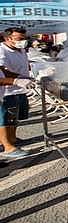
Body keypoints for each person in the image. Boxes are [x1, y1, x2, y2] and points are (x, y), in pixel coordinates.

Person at [0, 27, 36, 158]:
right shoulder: (2, 50)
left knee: (14, 118)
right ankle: (7, 147)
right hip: (7, 91)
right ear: (8, 38)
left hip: (19, 89)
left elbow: (22, 65)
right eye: (20, 39)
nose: (23, 41)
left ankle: (12, 139)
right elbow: (2, 71)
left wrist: (24, 76)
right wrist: (16, 80)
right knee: (4, 119)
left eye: (24, 38)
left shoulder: (20, 49)